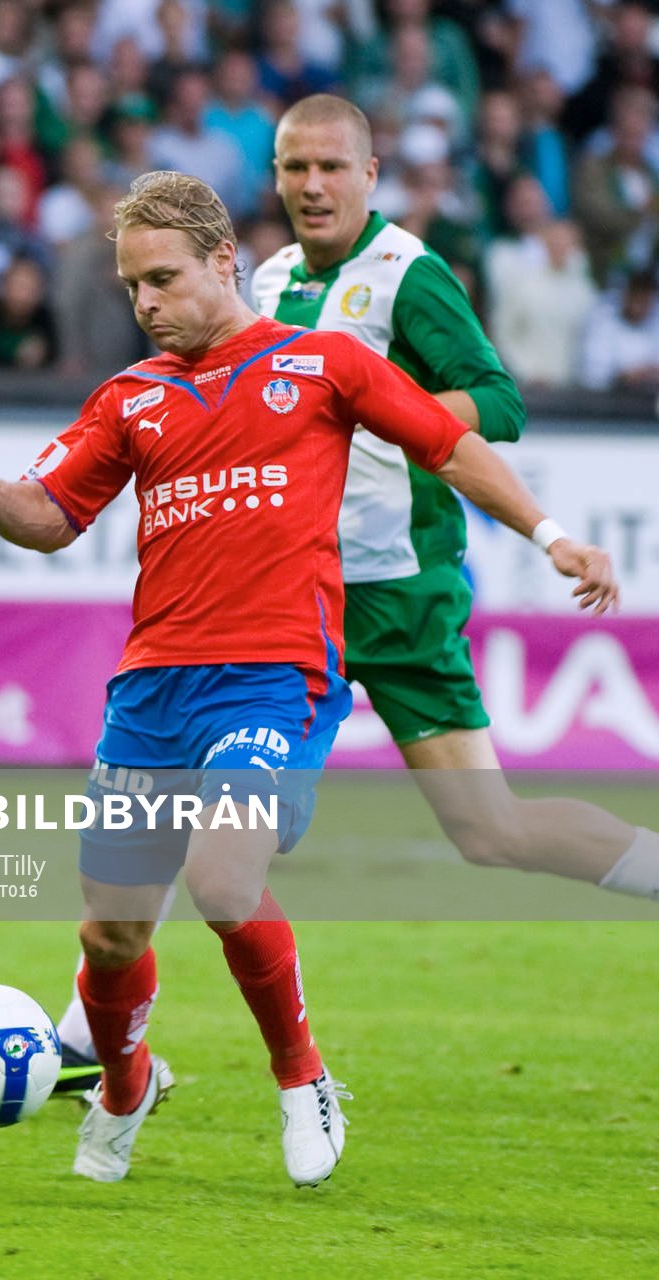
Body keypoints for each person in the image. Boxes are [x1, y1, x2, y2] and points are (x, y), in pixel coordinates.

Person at [0, 170, 616, 1187]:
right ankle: (124, 1086)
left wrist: (551, 534)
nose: (146, 303)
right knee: (109, 930)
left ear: (222, 261)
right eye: (131, 289)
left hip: (273, 677)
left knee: (223, 876)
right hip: (152, 685)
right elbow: (51, 516)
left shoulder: (323, 364)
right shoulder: (130, 396)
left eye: (162, 279)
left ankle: (303, 1078)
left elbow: (449, 442)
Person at [53, 93, 659, 1096]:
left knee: (490, 831)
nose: (312, 186)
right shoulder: (274, 277)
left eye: (333, 167)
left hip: (399, 592)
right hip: (286, 596)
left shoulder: (407, 274)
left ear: (370, 175)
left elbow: (496, 402)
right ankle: (95, 1024)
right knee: (191, 804)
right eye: (294, 168)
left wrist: (373, 410)